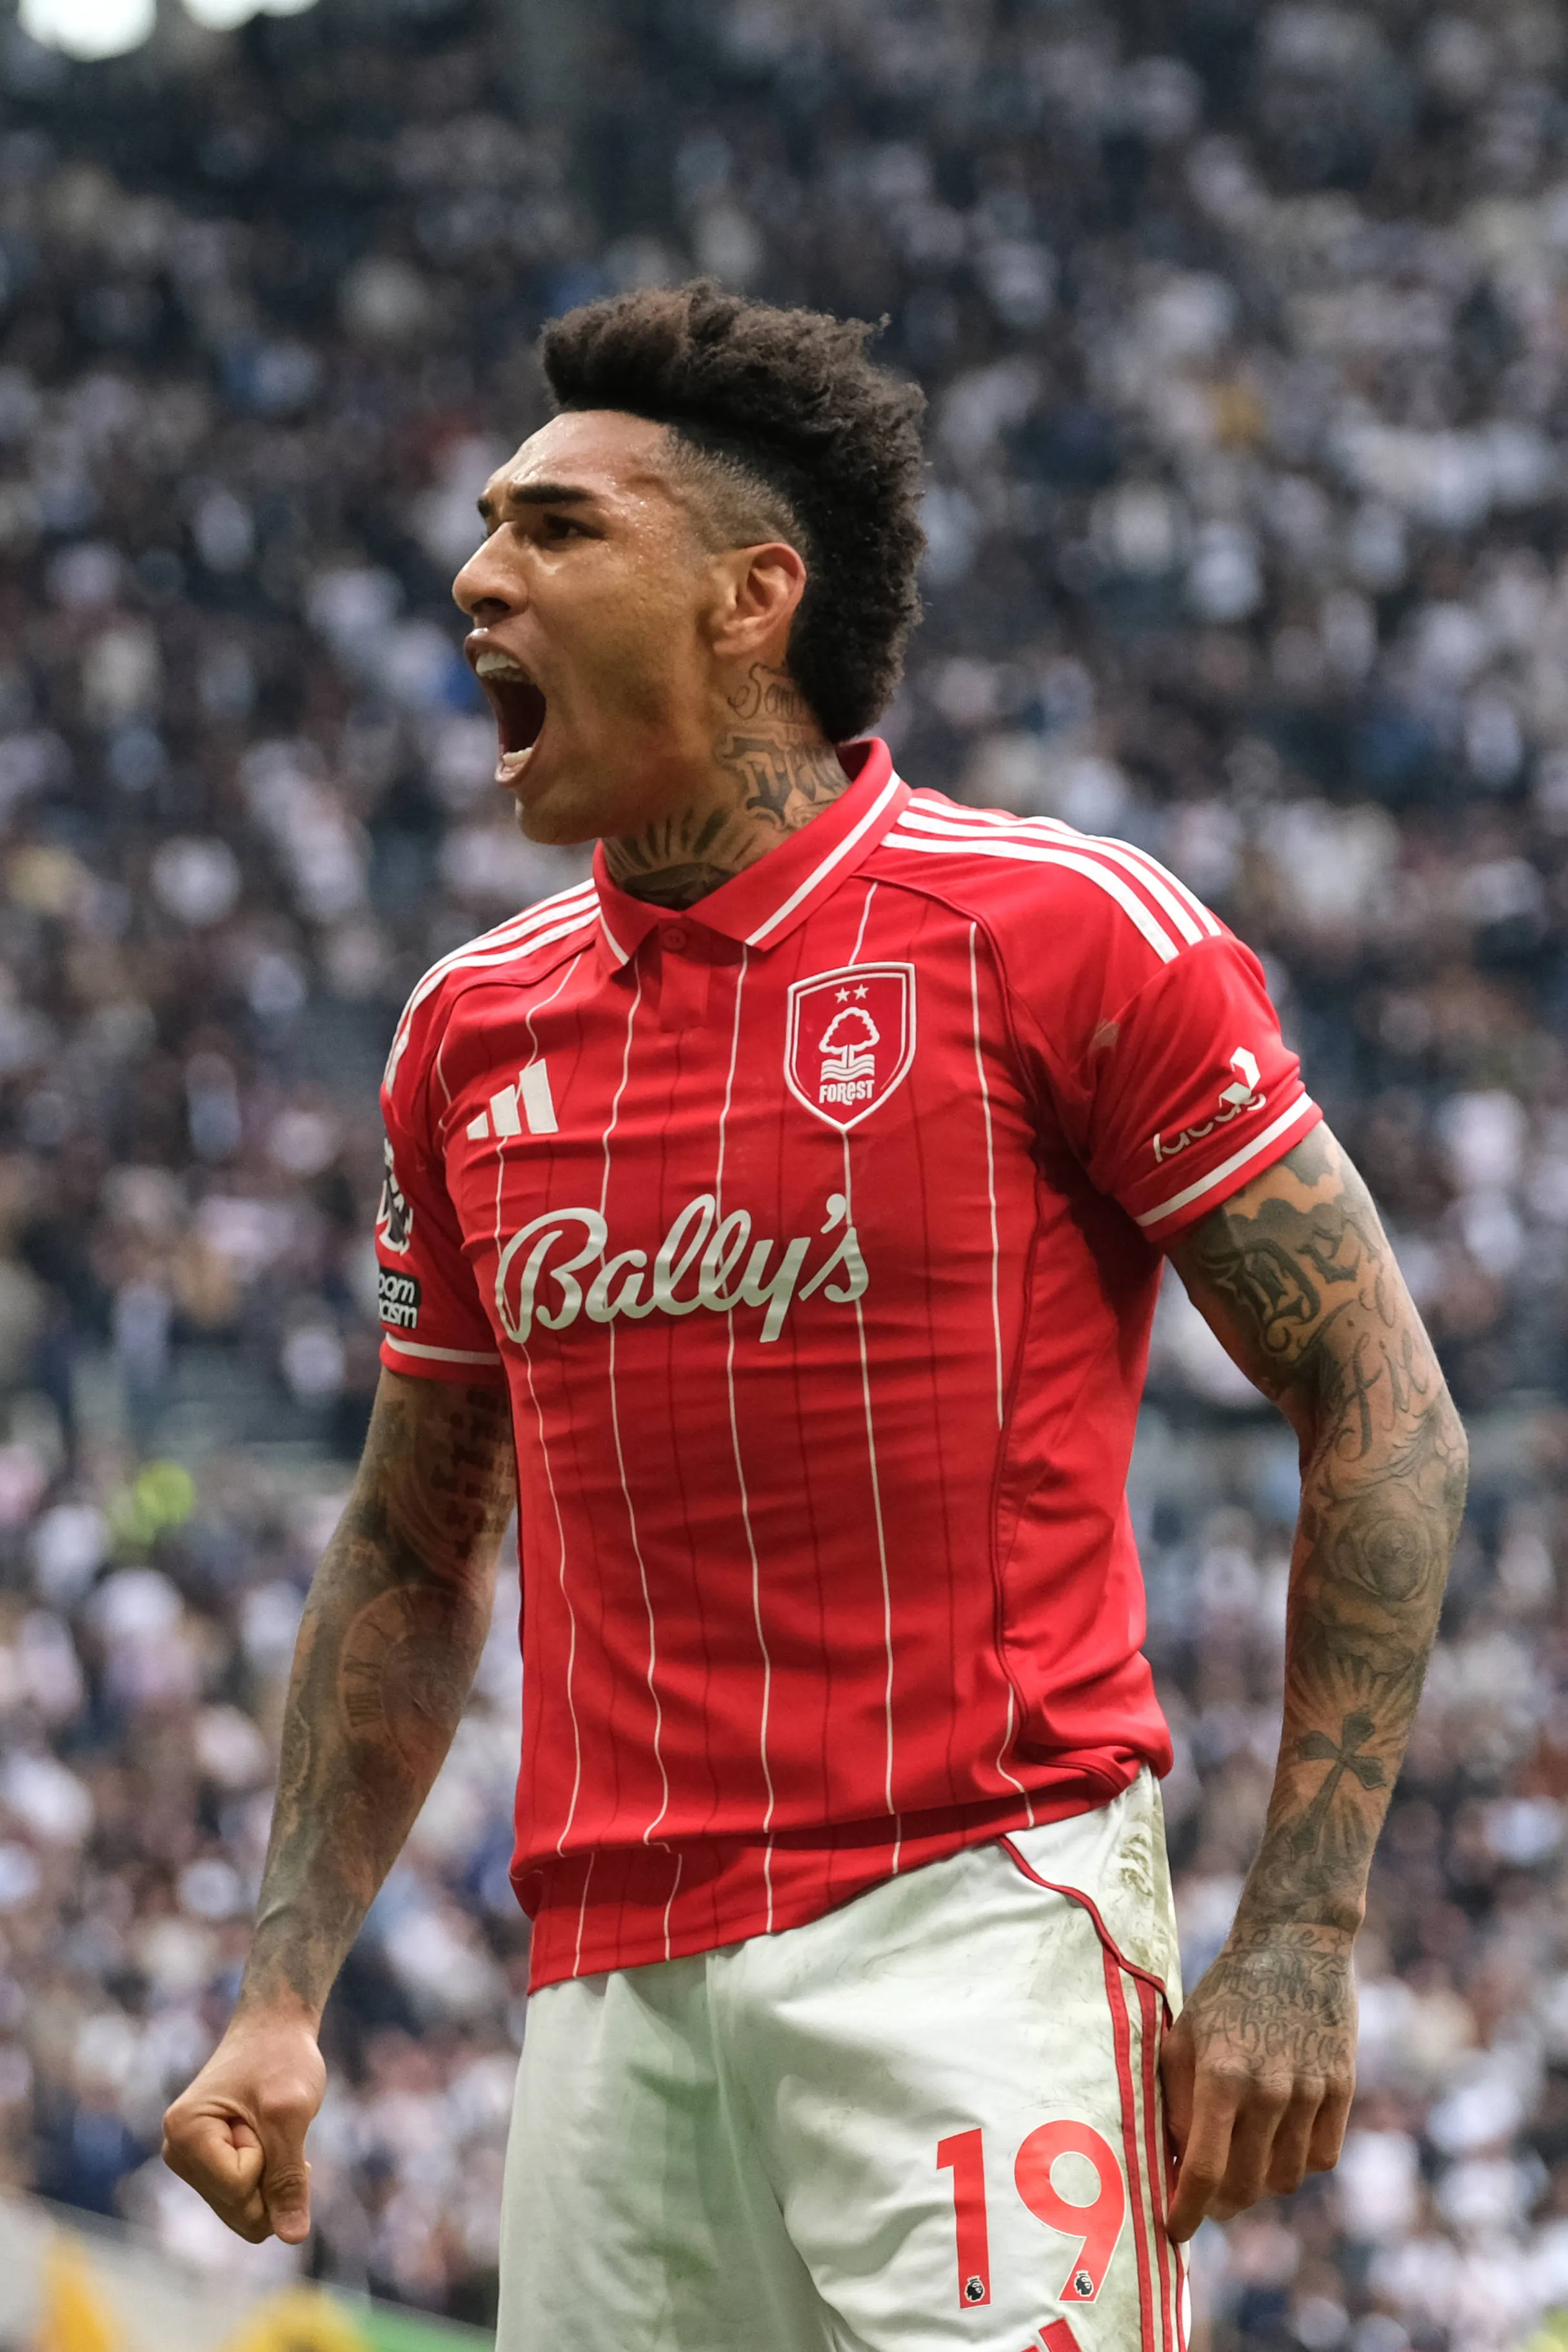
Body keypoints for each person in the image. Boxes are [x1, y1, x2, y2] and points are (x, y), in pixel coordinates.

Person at [163, 283, 1467, 2352]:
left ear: (751, 595)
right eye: (491, 522)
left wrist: (1296, 1932)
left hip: (979, 1926)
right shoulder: (463, 1036)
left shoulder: (1059, 936)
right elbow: (415, 1541)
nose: (476, 571)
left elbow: (1381, 1400)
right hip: (607, 1985)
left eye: (559, 527)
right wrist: (281, 1990)